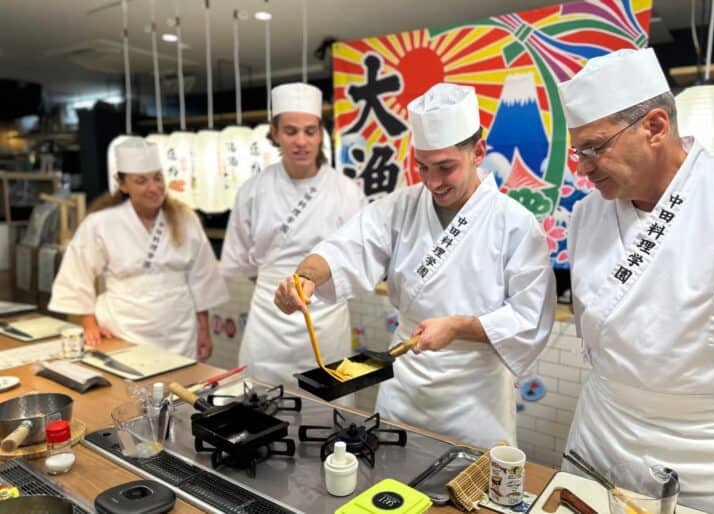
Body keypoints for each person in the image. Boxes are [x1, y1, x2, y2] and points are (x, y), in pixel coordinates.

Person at [274, 83, 556, 448]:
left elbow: (529, 315)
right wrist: (304, 278)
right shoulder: (402, 206)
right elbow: (345, 247)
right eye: (422, 167)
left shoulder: (514, 223)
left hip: (475, 393)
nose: (432, 182)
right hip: (406, 380)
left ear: (478, 152)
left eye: (445, 167)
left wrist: (457, 326)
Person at [557, 48, 714, 514]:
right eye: (578, 152)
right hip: (603, 432)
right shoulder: (587, 215)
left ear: (655, 126)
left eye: (595, 147)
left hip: (713, 453)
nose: (584, 166)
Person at [221, 82, 365, 387]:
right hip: (268, 321)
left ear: (321, 133)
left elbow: (357, 257)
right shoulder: (253, 190)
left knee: (328, 412)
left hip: (326, 316)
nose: (301, 141)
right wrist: (277, 283)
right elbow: (240, 259)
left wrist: (315, 286)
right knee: (262, 405)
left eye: (310, 131)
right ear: (274, 133)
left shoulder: (347, 191)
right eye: (290, 131)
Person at [50, 137, 228, 361]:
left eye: (158, 178)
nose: (154, 187)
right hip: (123, 328)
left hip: (179, 330)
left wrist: (204, 328)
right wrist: (89, 323)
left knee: (181, 389)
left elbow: (202, 276)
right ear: (122, 184)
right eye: (142, 181)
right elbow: (76, 274)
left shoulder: (185, 218)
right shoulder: (101, 222)